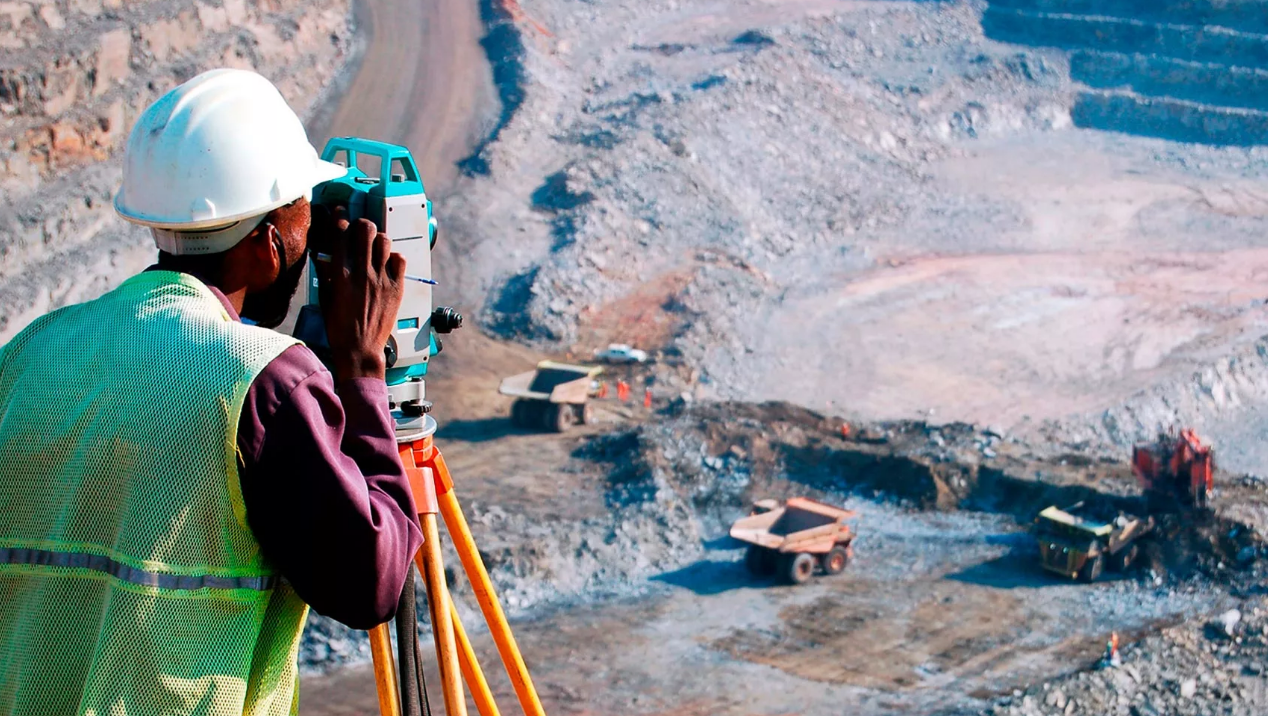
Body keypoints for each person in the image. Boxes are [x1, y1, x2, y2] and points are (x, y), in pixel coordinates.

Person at [0, 69, 423, 714]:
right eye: (304, 212)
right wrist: (363, 372)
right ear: (270, 238)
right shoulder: (262, 381)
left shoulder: (37, 348)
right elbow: (373, 582)